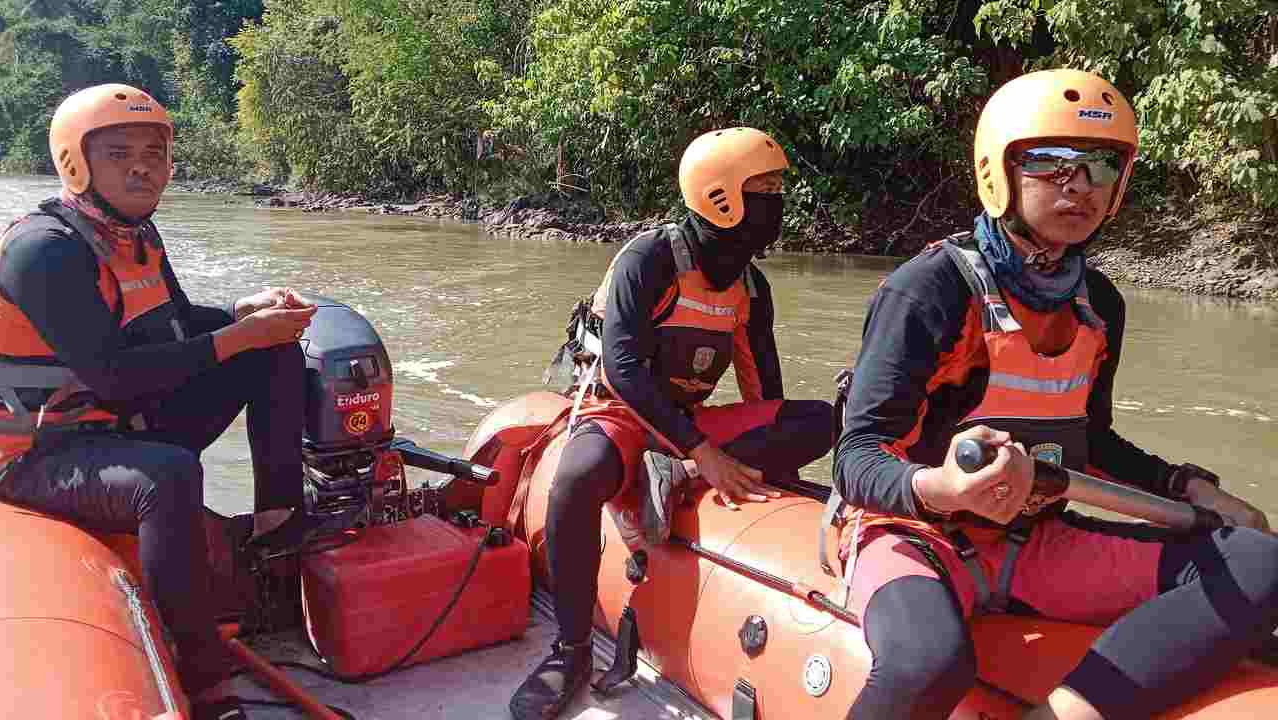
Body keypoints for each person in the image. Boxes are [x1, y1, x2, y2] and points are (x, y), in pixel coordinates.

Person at [833, 68, 1278, 720]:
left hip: (1033, 542)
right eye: (1049, 163)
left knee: (1259, 561)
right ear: (999, 171)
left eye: (1100, 165)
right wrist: (944, 489)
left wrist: (1190, 486)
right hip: (917, 533)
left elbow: (1091, 443)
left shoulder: (1099, 304)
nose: (1079, 186)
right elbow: (857, 459)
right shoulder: (928, 290)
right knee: (927, 662)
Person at [0, 84, 324, 719]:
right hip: (35, 452)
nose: (142, 166)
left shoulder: (136, 233)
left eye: (155, 152)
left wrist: (242, 315)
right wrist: (234, 337)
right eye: (119, 153)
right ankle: (205, 678)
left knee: (275, 352)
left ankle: (276, 542)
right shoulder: (44, 252)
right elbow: (115, 373)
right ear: (76, 163)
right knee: (168, 476)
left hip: (115, 423)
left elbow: (173, 323)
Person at [510, 127, 835, 720]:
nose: (779, 201)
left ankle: (676, 473)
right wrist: (707, 452)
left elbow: (765, 389)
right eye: (766, 188)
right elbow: (624, 370)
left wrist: (770, 462)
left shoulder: (751, 288)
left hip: (686, 426)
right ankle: (571, 649)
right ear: (722, 197)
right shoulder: (650, 259)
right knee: (577, 479)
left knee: (820, 421)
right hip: (623, 412)